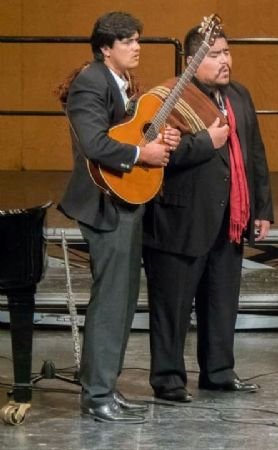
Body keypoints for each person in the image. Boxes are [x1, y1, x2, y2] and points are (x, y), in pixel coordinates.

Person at [57, 11, 179, 423]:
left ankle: (106, 385)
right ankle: (96, 395)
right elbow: (94, 143)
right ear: (105, 49)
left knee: (123, 302)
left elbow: (126, 129)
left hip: (124, 201)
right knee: (110, 302)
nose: (136, 46)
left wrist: (161, 138)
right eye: (127, 41)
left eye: (137, 39)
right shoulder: (91, 82)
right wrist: (142, 153)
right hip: (103, 204)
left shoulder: (121, 82)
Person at [141, 27, 273, 403]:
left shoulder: (239, 95)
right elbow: (154, 153)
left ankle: (218, 372)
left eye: (226, 52)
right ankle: (168, 380)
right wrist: (206, 142)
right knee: (172, 306)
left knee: (221, 301)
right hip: (180, 219)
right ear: (191, 61)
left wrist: (262, 209)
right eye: (214, 55)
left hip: (229, 217)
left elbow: (255, 153)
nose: (224, 60)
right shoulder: (169, 97)